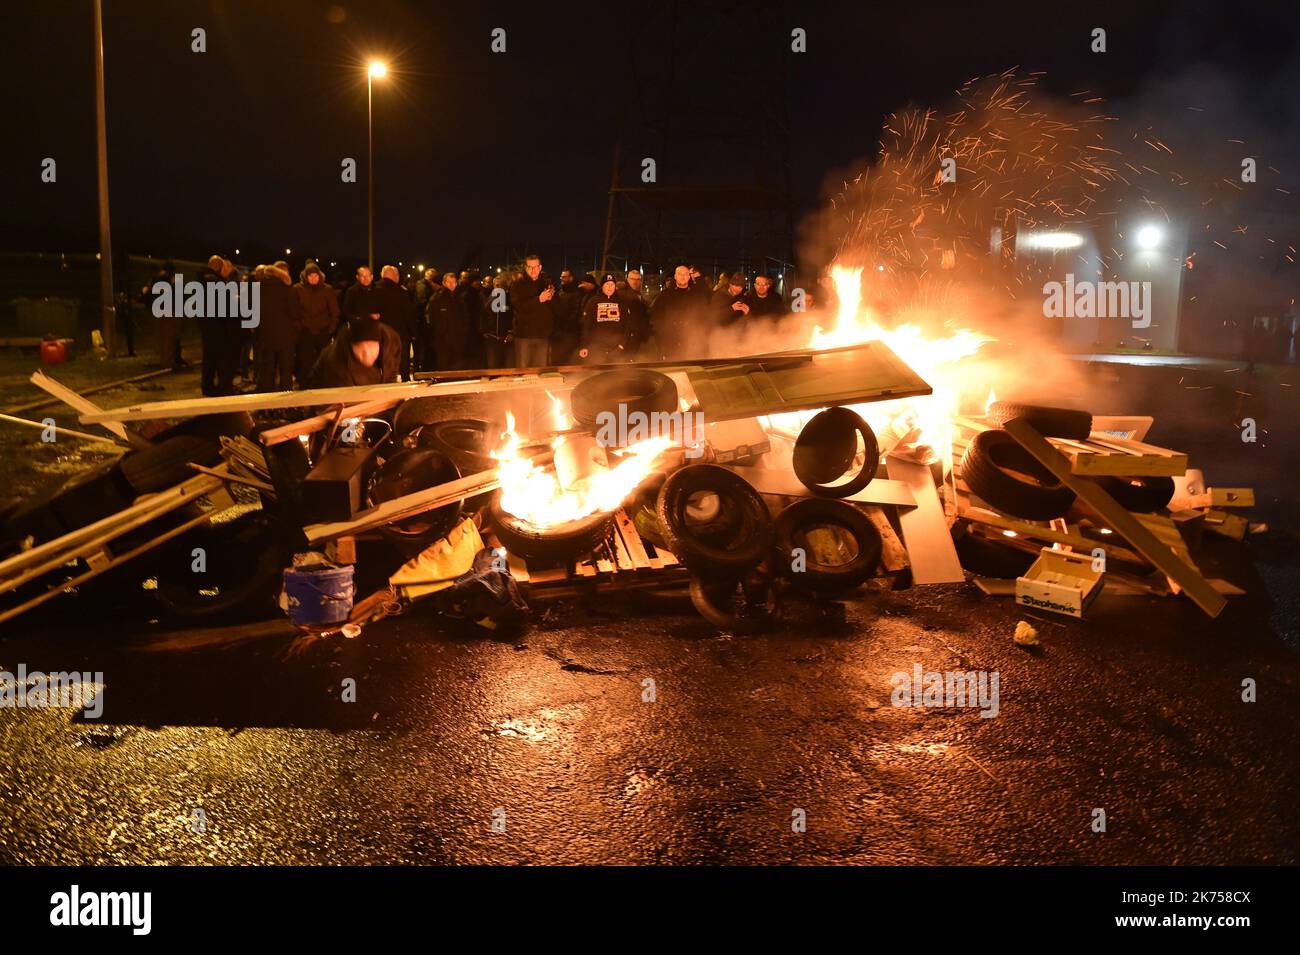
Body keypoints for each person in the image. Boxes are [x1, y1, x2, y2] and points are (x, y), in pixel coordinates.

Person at [305, 316, 401, 388]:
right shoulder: (336, 358)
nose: (366, 353)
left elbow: (390, 378)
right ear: (351, 346)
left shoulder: (391, 345)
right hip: (328, 399)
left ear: (379, 344)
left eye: (371, 346)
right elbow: (345, 400)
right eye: (360, 347)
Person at [253, 262, 301, 391]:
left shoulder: (258, 288)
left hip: (266, 336)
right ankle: (285, 401)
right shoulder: (288, 289)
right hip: (286, 337)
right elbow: (294, 313)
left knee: (267, 369)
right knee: (286, 369)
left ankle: (265, 401)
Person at [651, 263, 709, 359]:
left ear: (689, 277)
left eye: (685, 274)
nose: (683, 277)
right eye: (680, 274)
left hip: (690, 342)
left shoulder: (696, 295)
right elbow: (656, 318)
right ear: (675, 276)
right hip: (669, 342)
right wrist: (661, 339)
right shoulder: (665, 295)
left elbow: (702, 317)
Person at [294, 261, 340, 383]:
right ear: (305, 276)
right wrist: (300, 327)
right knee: (305, 360)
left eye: (316, 275)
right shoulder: (298, 289)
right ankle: (305, 383)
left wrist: (331, 329)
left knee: (324, 359)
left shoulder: (327, 289)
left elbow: (334, 311)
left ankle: (324, 382)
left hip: (323, 330)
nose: (313, 278)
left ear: (320, 276)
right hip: (305, 330)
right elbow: (295, 310)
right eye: (310, 276)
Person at [509, 254, 555, 368]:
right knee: (523, 372)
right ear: (526, 268)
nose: (533, 270)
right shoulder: (517, 285)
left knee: (540, 371)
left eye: (536, 267)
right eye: (530, 267)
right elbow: (518, 306)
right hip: (524, 336)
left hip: (542, 336)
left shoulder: (546, 284)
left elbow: (556, 309)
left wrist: (553, 298)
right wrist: (539, 299)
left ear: (540, 267)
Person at [373, 264, 418, 379]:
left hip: (380, 332)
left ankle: (384, 381)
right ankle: (405, 380)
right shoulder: (401, 292)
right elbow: (409, 313)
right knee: (403, 360)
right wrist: (413, 331)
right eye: (397, 274)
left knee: (383, 359)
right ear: (394, 275)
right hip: (400, 333)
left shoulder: (373, 289)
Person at [579, 273, 633, 364]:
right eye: (607, 284)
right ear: (602, 286)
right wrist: (584, 345)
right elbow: (586, 325)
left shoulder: (622, 302)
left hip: (617, 349)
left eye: (612, 284)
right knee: (597, 375)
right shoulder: (593, 301)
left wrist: (622, 345)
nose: (609, 287)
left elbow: (628, 326)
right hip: (596, 348)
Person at [425, 270, 471, 370]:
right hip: (442, 340)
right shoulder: (437, 298)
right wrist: (441, 331)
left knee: (457, 365)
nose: (451, 285)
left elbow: (465, 317)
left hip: (457, 339)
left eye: (453, 282)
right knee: (444, 365)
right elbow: (430, 317)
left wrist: (463, 332)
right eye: (449, 282)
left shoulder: (459, 298)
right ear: (444, 283)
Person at [552, 270, 592, 365]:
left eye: (564, 277)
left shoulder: (577, 292)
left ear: (571, 278)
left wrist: (567, 324)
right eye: (561, 277)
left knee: (569, 358)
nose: (562, 278)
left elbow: (576, 311)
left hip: (571, 331)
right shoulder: (562, 291)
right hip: (560, 330)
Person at [481, 273, 514, 368]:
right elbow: (483, 316)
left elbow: (513, 317)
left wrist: (511, 332)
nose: (499, 288)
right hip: (492, 339)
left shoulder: (510, 300)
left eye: (502, 285)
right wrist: (484, 331)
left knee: (508, 366)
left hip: (507, 339)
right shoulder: (488, 300)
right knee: (493, 365)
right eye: (497, 285)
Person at [619, 268, 650, 352]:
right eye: (632, 279)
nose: (635, 281)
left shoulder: (638, 294)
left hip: (636, 335)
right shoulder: (622, 294)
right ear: (627, 279)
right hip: (627, 336)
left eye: (638, 279)